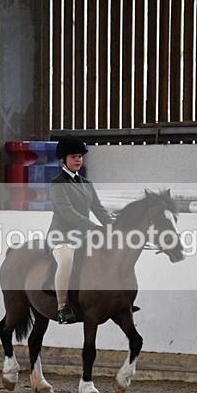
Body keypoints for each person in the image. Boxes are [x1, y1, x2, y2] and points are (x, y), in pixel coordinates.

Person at [47, 135, 115, 324]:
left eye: (80, 157)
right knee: (67, 261)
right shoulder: (57, 183)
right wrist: (93, 227)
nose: (78, 160)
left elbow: (99, 209)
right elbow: (67, 212)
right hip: (62, 237)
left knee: (108, 257)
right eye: (73, 157)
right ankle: (62, 306)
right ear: (63, 159)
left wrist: (113, 227)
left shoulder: (87, 184)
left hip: (84, 236)